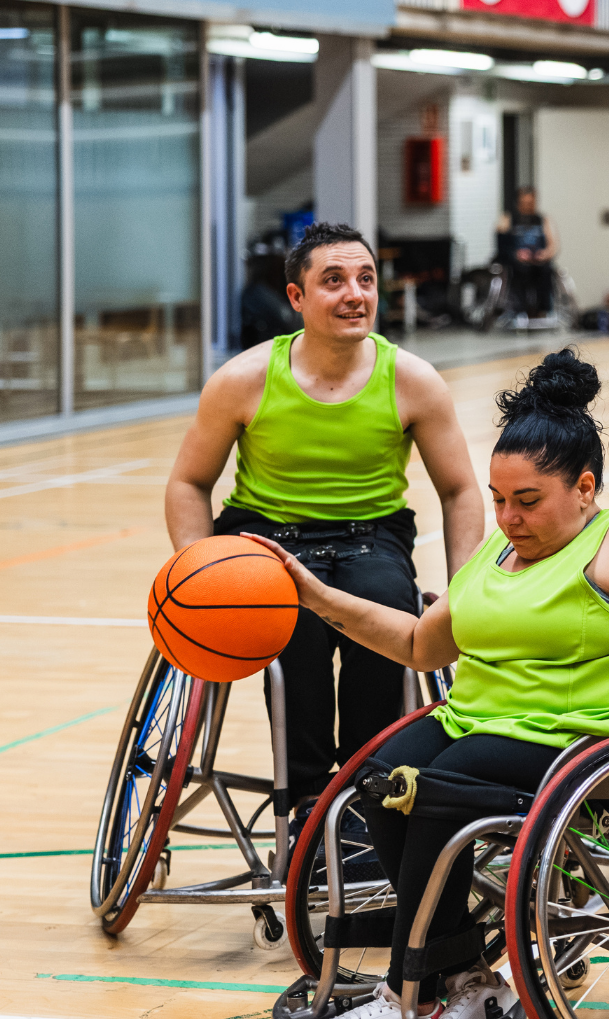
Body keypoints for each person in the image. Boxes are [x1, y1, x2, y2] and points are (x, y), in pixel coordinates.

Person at [246, 350, 609, 1019]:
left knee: (431, 788)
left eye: (528, 501)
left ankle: (410, 991)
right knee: (375, 781)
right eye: (499, 499)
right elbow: (424, 647)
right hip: (486, 724)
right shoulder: (499, 550)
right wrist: (317, 597)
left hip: (594, 743)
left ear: (584, 489)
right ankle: (467, 981)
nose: (509, 517)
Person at [165, 221, 485, 810]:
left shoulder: (412, 379)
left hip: (371, 537)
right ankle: (308, 798)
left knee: (387, 612)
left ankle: (369, 792)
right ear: (297, 297)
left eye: (365, 279)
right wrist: (197, 567)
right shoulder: (244, 379)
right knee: (295, 627)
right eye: (333, 280)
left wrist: (466, 584)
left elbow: (461, 489)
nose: (354, 294)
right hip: (264, 536)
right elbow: (189, 482)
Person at [494, 187, 557, 320]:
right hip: (515, 262)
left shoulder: (543, 220)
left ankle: (543, 310)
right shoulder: (506, 219)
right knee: (520, 270)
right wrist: (516, 254)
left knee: (546, 270)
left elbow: (553, 245)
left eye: (531, 203)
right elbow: (501, 247)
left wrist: (545, 254)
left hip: (538, 261)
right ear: (518, 203)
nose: (528, 206)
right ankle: (519, 310)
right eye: (525, 203)